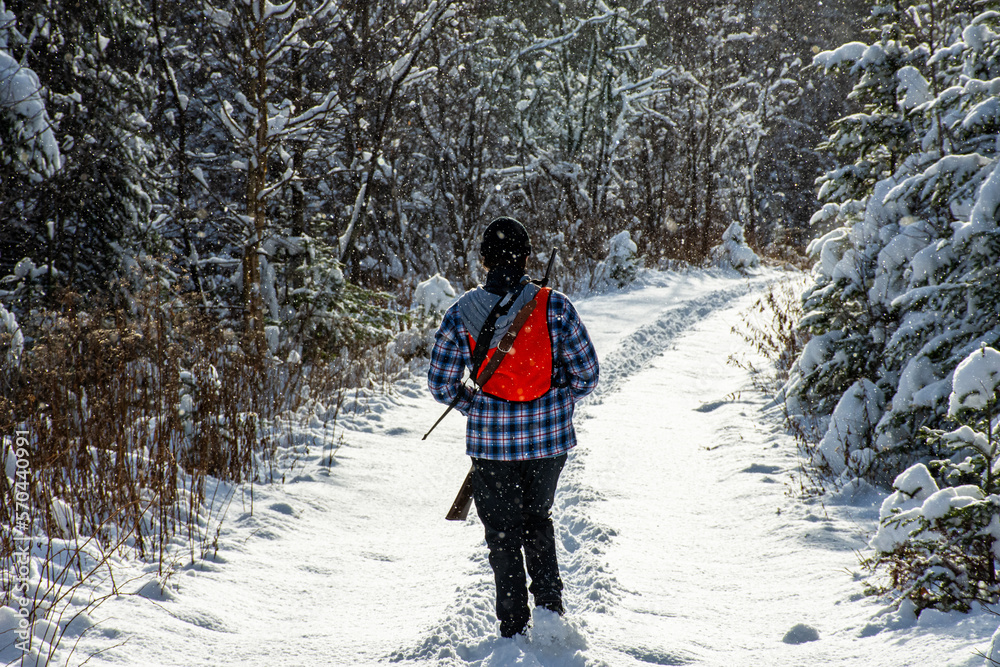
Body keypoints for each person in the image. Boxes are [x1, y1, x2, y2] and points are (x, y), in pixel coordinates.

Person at [427, 217, 600, 639]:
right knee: (538, 521)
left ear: (483, 259)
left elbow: (441, 384)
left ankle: (512, 625)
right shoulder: (554, 305)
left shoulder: (461, 312)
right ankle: (551, 610)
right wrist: (551, 403)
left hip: (490, 446)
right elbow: (587, 375)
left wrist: (481, 407)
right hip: (547, 444)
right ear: (526, 258)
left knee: (502, 535)